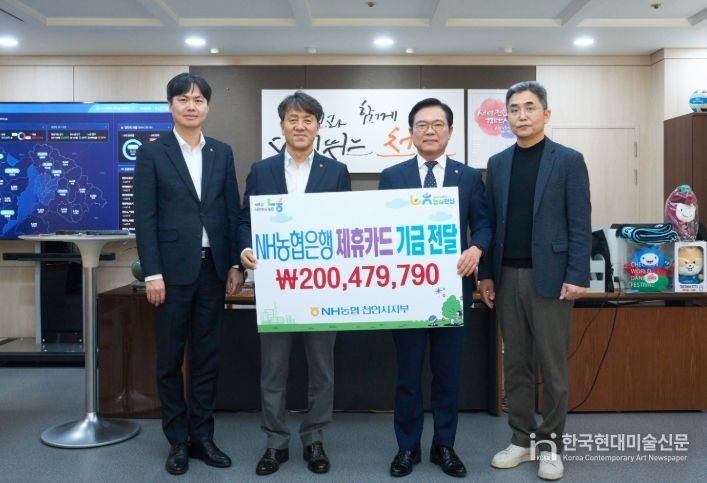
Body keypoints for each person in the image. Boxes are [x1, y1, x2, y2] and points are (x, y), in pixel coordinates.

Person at [478, 81, 591, 481]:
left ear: (546, 113)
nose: (521, 115)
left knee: (552, 367)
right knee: (516, 364)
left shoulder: (569, 160)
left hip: (553, 280)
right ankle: (521, 439)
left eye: (529, 107)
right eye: (514, 109)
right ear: (506, 117)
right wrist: (486, 274)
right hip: (507, 277)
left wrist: (577, 275)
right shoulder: (497, 163)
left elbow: (580, 222)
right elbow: (489, 223)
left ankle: (551, 445)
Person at [134, 73, 243, 475]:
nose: (191, 106)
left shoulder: (221, 152)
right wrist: (152, 273)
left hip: (212, 270)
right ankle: (177, 440)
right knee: (169, 359)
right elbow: (145, 218)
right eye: (183, 99)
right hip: (171, 274)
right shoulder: (152, 153)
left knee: (206, 358)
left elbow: (230, 211)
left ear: (207, 107)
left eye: (198, 100)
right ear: (170, 106)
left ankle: (202, 436)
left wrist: (234, 264)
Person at [239, 91, 351, 476]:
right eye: (293, 119)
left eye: (307, 120)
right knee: (273, 368)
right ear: (282, 125)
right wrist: (244, 248)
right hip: (276, 286)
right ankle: (275, 441)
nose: (300, 126)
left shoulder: (336, 171)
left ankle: (314, 438)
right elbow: (245, 219)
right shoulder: (262, 170)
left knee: (322, 368)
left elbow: (347, 223)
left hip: (322, 286)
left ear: (318, 127)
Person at [378, 98, 491, 478]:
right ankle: (407, 447)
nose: (430, 131)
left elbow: (484, 224)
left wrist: (476, 247)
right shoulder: (392, 176)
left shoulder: (469, 177)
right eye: (422, 125)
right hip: (406, 293)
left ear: (450, 131)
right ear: (411, 132)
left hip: (450, 293)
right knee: (408, 376)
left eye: (437, 124)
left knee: (447, 375)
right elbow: (377, 228)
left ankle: (444, 445)